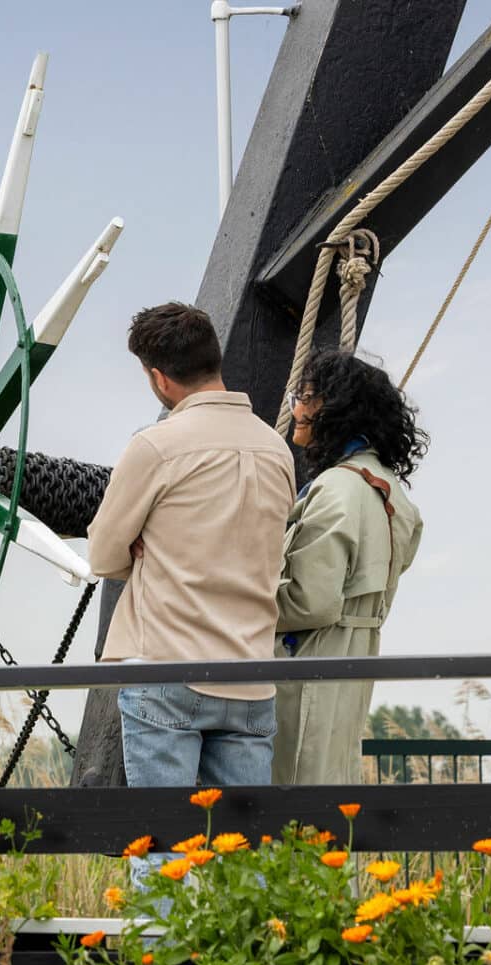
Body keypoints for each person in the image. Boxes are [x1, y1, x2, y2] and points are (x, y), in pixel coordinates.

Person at [87, 303, 296, 789]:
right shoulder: (277, 450)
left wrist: (144, 548)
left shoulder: (155, 447)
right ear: (214, 358)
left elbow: (102, 555)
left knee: (165, 849)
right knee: (245, 854)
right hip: (249, 672)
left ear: (160, 379)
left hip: (168, 665)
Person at [273, 350, 427, 784]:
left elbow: (309, 600)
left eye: (303, 397)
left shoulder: (335, 487)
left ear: (331, 407)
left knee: (291, 794)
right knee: (334, 786)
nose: (296, 410)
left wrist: (235, 602)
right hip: (356, 660)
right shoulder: (392, 492)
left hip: (305, 663)